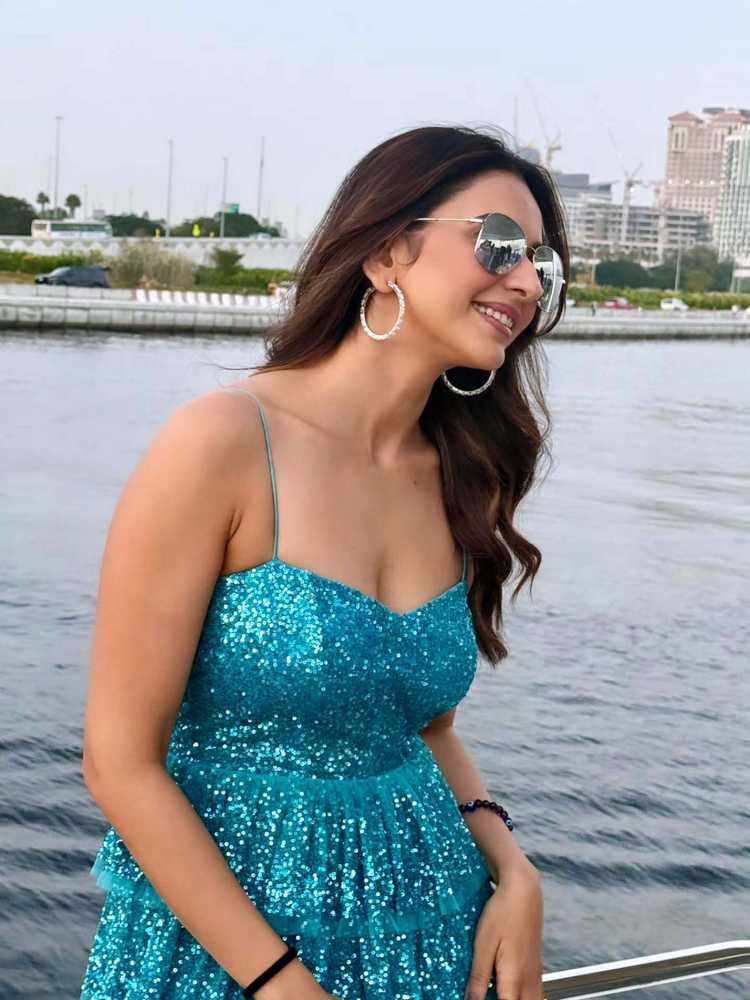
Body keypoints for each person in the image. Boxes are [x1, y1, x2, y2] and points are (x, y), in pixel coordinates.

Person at [79, 124, 568, 1000]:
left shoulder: (461, 476)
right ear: (386, 252)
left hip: (425, 937)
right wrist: (280, 983)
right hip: (222, 958)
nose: (527, 282)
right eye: (499, 243)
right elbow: (121, 763)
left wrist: (513, 867)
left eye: (542, 263)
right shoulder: (222, 443)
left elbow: (427, 729)